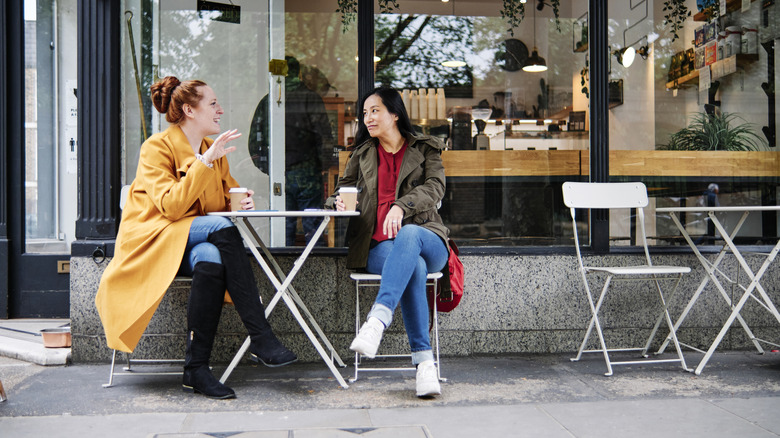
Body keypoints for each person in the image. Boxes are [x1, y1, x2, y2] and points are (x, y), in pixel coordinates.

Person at [96, 76, 297, 400]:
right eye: (213, 103)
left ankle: (196, 370)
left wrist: (240, 200)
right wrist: (204, 163)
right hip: (152, 239)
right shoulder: (156, 148)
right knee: (221, 230)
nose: (220, 110)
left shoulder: (210, 149)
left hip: (189, 240)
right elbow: (173, 207)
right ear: (189, 109)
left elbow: (216, 205)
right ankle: (260, 335)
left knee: (212, 257)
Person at [325, 86, 450, 398]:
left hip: (427, 236)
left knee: (410, 238)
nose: (368, 118)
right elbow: (341, 191)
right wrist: (337, 203)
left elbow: (436, 187)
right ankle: (425, 366)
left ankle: (377, 319)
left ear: (395, 114)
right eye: (365, 112)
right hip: (378, 246)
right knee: (415, 269)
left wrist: (401, 206)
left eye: (375, 110)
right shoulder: (363, 154)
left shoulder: (425, 148)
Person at [248, 55, 335, 246]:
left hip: (279, 175)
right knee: (313, 230)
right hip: (308, 174)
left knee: (281, 231)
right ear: (299, 73)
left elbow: (255, 142)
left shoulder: (268, 102)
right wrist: (322, 167)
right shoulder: (311, 98)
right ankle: (317, 271)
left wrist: (268, 168)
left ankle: (281, 272)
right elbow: (326, 138)